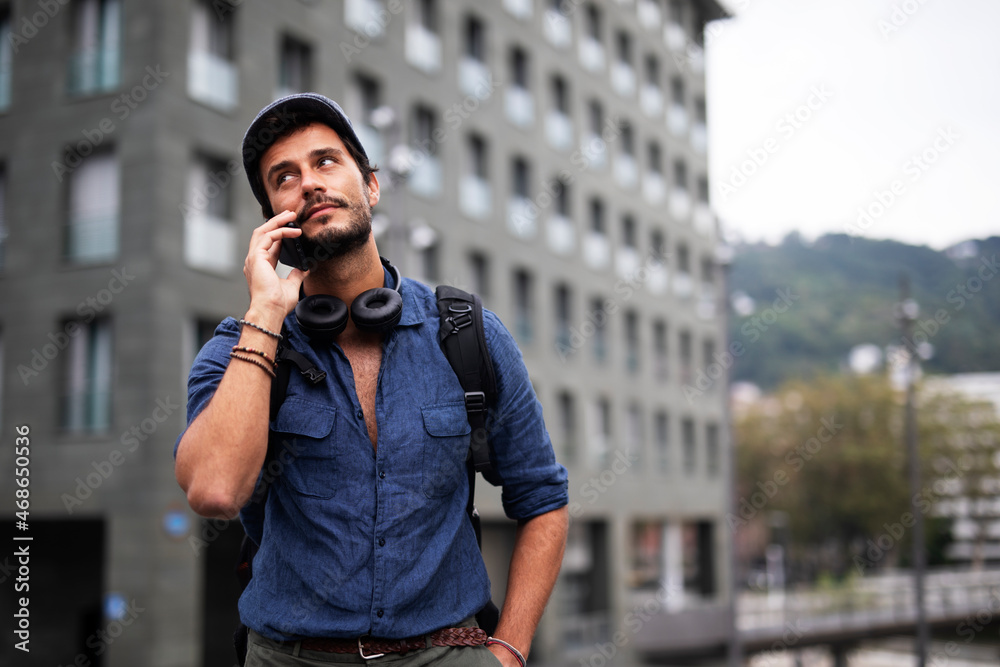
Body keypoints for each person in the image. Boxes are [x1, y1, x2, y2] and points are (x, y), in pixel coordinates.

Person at [174, 93, 569, 666]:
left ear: (373, 187)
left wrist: (508, 651)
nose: (308, 183)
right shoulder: (238, 350)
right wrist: (265, 315)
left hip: (447, 652)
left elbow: (545, 500)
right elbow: (213, 490)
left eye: (326, 161)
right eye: (284, 177)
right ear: (273, 222)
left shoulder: (466, 335)